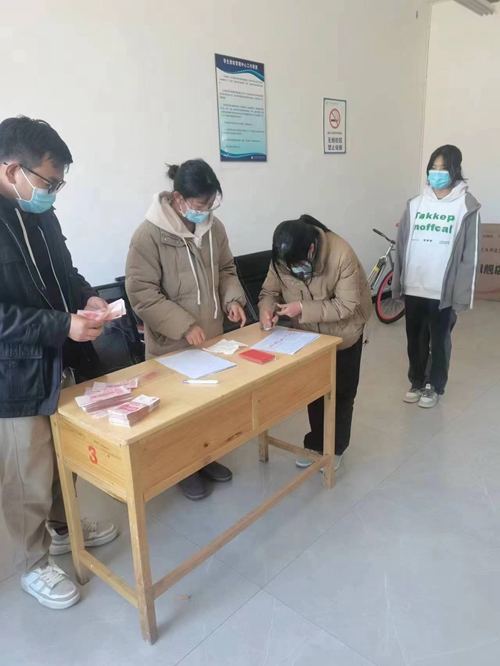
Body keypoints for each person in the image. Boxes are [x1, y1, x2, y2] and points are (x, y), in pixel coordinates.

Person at [0, 116, 118, 611]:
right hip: (15, 373)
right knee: (26, 473)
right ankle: (32, 564)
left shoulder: (42, 215)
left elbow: (65, 272)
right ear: (13, 171)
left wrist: (88, 298)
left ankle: (64, 527)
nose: (53, 193)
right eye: (49, 183)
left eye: (59, 184)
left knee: (61, 456)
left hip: (60, 359)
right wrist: (59, 325)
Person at [126, 159, 247, 500]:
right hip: (171, 344)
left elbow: (226, 269)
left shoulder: (213, 228)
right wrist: (184, 325)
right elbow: (142, 293)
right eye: (199, 204)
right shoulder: (149, 235)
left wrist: (232, 299)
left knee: (207, 405)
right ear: (178, 198)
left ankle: (205, 458)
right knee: (177, 411)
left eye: (210, 203)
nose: (205, 210)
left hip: (210, 337)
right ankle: (182, 469)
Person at [259, 215, 372, 471]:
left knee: (341, 393)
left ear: (311, 249)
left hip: (344, 333)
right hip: (309, 335)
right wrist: (267, 310)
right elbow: (269, 292)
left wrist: (302, 308)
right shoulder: (281, 259)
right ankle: (315, 444)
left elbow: (347, 305)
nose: (293, 270)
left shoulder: (341, 254)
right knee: (315, 391)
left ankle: (335, 448)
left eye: (298, 264)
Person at [392, 145, 481, 408]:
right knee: (415, 339)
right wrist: (398, 283)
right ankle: (417, 381)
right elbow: (402, 244)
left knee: (439, 342)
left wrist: (462, 294)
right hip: (414, 286)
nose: (437, 173)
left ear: (456, 170)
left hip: (443, 290)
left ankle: (435, 385)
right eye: (434, 167)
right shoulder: (415, 204)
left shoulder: (466, 206)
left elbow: (470, 256)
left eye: (444, 168)